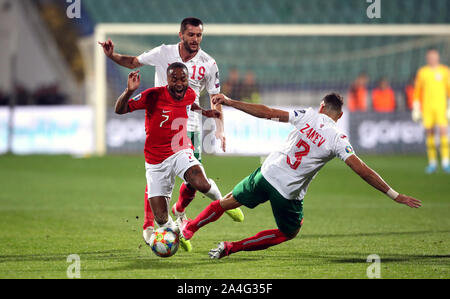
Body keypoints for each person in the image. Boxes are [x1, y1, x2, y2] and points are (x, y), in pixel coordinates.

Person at [180, 93, 422, 259]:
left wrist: (231, 101)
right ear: (339, 116)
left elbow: (267, 113)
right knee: (288, 232)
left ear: (321, 107)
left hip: (267, 172)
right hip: (288, 192)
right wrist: (394, 194)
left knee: (227, 201)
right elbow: (362, 170)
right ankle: (229, 247)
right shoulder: (338, 139)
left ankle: (188, 228)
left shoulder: (307, 114)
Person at [99, 18, 244, 245]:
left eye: (199, 36)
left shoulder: (208, 63)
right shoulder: (163, 53)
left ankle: (191, 207)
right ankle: (156, 224)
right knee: (159, 175)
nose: (195, 40)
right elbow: (133, 61)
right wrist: (112, 57)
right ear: (181, 35)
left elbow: (213, 99)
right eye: (191, 35)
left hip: (189, 128)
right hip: (159, 124)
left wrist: (219, 128)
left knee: (195, 183)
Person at [115, 63, 226, 250]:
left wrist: (205, 112)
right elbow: (120, 110)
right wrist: (128, 91)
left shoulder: (190, 93)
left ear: (187, 79)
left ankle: (224, 202)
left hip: (179, 149)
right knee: (161, 218)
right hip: (155, 160)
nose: (179, 83)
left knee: (201, 183)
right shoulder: (153, 95)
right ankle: (178, 233)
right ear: (167, 80)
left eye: (183, 79)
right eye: (174, 79)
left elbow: (190, 104)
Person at [412, 48, 450, 174]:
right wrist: (416, 107)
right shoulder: (422, 72)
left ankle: (445, 162)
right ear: (427, 58)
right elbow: (417, 91)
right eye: (430, 57)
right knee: (430, 133)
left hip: (441, 107)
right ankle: (432, 162)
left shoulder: (445, 71)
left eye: (434, 56)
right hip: (427, 108)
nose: (432, 59)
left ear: (437, 57)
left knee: (443, 132)